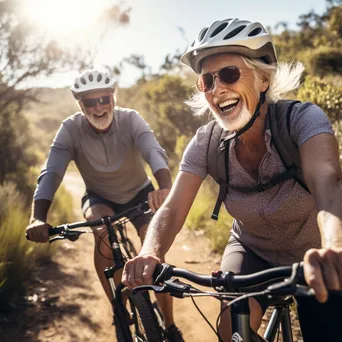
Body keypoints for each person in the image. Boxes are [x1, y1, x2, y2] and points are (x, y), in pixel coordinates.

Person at [122, 18, 342, 342]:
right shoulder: (207, 142)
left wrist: (334, 247)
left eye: (229, 74)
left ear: (264, 78)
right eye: (206, 80)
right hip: (252, 250)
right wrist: (150, 252)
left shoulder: (301, 120)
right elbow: (172, 208)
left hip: (317, 254)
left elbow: (327, 181)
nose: (217, 89)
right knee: (231, 332)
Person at [25, 69, 184, 342]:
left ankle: (169, 325)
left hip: (140, 193)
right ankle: (117, 307)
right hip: (99, 197)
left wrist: (164, 188)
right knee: (100, 231)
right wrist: (37, 217)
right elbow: (51, 172)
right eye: (90, 102)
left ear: (113, 98)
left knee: (152, 246)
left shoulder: (131, 119)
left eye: (104, 99)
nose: (99, 107)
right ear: (81, 105)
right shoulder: (70, 129)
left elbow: (153, 151)